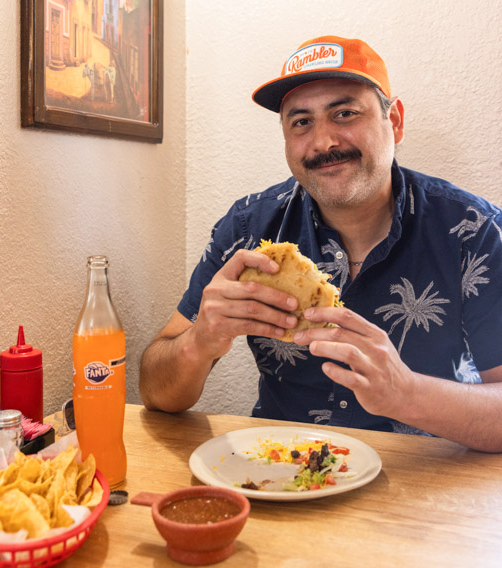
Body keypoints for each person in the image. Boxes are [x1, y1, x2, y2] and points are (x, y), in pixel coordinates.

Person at [140, 36, 502, 453]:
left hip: (427, 487)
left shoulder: (474, 232)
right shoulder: (247, 228)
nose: (323, 142)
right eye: (301, 122)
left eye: (345, 113)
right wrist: (199, 341)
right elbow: (156, 393)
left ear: (395, 121)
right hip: (282, 476)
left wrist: (407, 394)